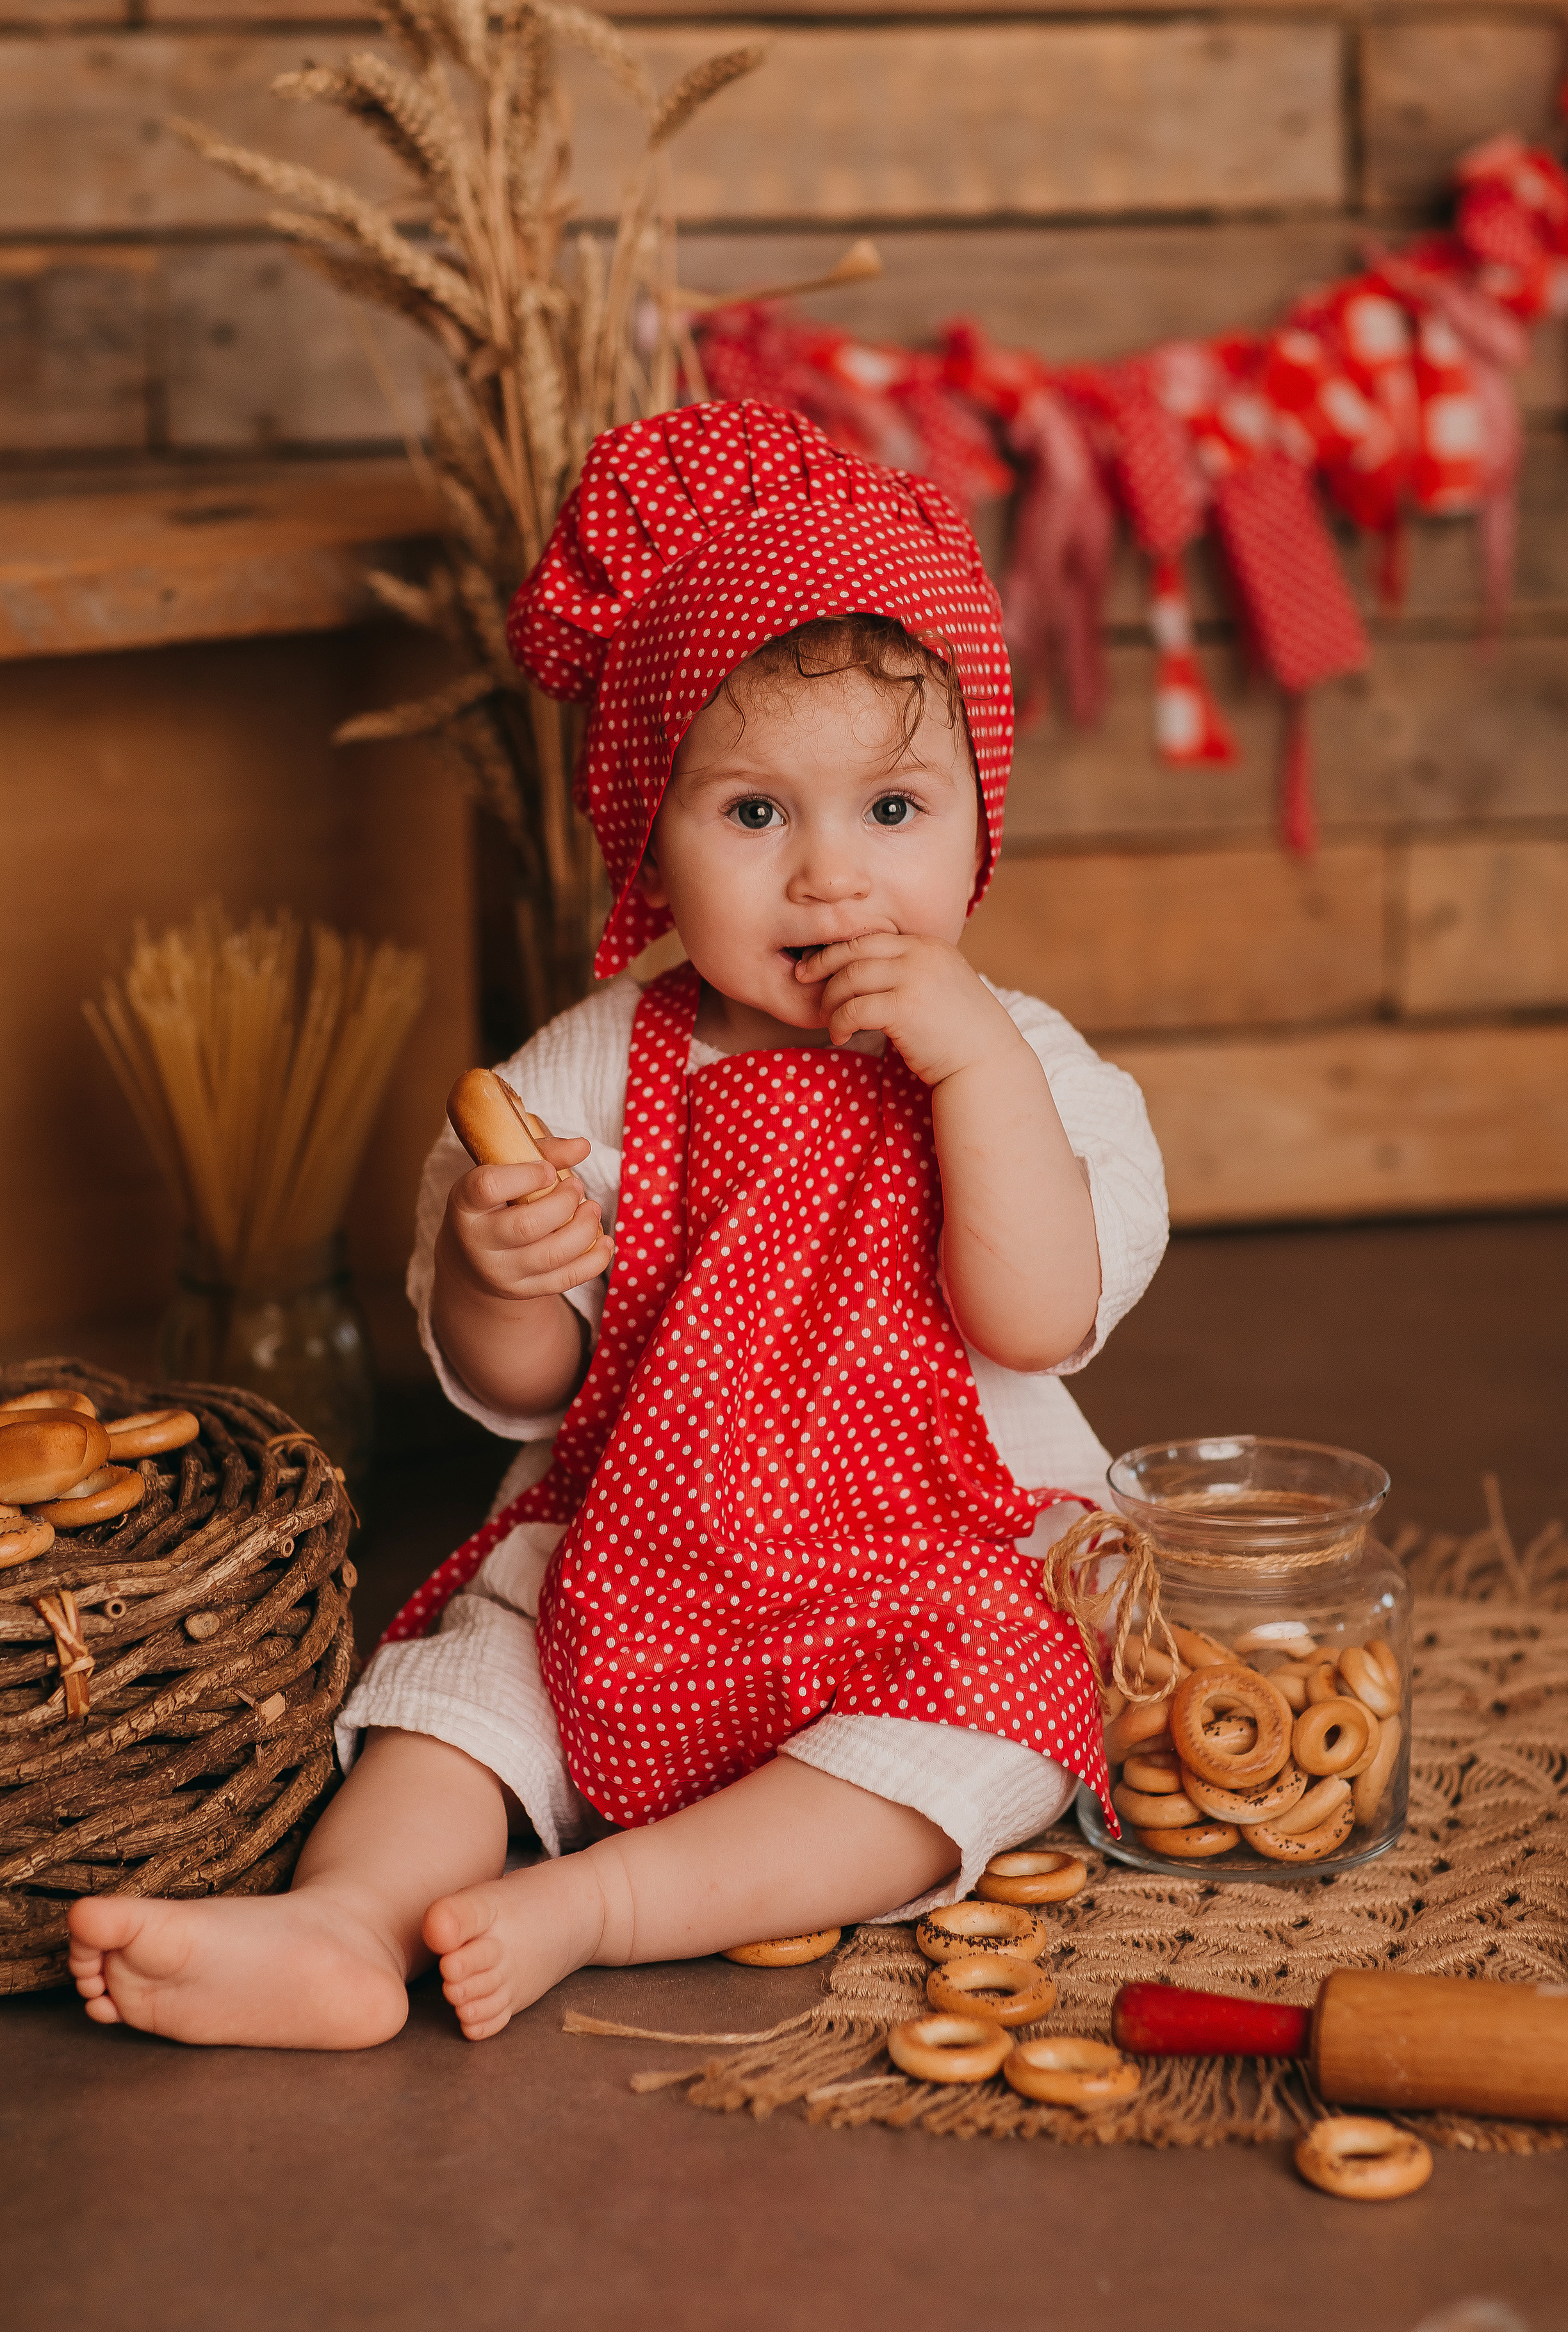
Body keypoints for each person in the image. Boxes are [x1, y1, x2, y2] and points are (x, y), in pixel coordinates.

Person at [67, 401, 1167, 2049]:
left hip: (924, 1581)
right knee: (466, 1691)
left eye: (890, 810)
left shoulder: (1028, 1067)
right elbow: (523, 1383)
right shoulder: (592, 1067)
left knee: (1002, 1722)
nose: (827, 878)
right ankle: (346, 1922)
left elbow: (1030, 1317)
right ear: (650, 827)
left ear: (977, 815)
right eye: (754, 815)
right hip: (633, 1560)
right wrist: (495, 1268)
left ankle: (599, 1905)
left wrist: (973, 1067)